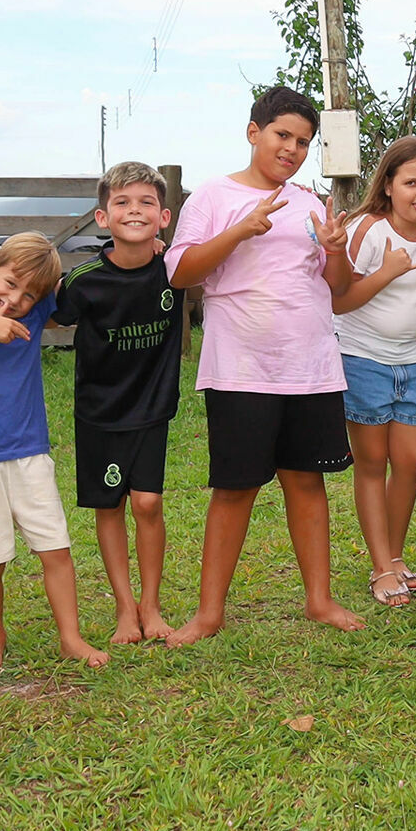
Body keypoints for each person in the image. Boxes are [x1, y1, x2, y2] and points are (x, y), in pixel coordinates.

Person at [162, 85, 362, 643]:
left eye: (303, 142)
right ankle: (209, 613)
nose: (292, 150)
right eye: (282, 136)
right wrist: (241, 230)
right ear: (254, 132)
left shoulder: (311, 203)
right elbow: (180, 274)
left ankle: (319, 600)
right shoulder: (213, 196)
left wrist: (336, 248)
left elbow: (338, 288)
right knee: (235, 488)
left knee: (307, 480)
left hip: (312, 366)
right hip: (240, 369)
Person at [0, 233, 109, 671]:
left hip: (29, 452)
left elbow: (73, 286)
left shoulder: (35, 314)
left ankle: (70, 638)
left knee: (55, 548)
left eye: (29, 294)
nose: (14, 300)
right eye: (10, 283)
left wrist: (144, 249)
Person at [56, 162, 187, 644]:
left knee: (148, 504)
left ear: (164, 216)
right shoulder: (84, 280)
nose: (135, 210)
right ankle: (124, 609)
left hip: (153, 408)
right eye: (123, 202)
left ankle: (151, 606)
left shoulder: (175, 268)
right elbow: (39, 311)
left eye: (146, 202)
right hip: (99, 414)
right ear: (102, 217)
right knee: (109, 507)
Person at [332, 137, 416, 607]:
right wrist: (387, 271)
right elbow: (339, 300)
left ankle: (396, 557)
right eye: (411, 183)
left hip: (410, 360)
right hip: (362, 359)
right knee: (372, 463)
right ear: (389, 185)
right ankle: (381, 567)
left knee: (412, 459)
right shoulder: (368, 229)